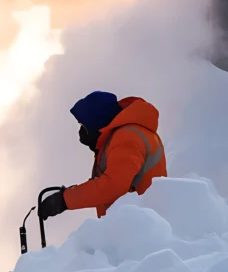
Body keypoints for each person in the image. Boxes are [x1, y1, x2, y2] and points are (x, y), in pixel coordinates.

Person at [39, 91, 167, 221]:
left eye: (83, 125)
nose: (81, 131)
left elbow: (113, 185)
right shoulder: (120, 136)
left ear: (97, 123)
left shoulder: (127, 137)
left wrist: (64, 200)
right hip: (136, 224)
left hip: (140, 226)